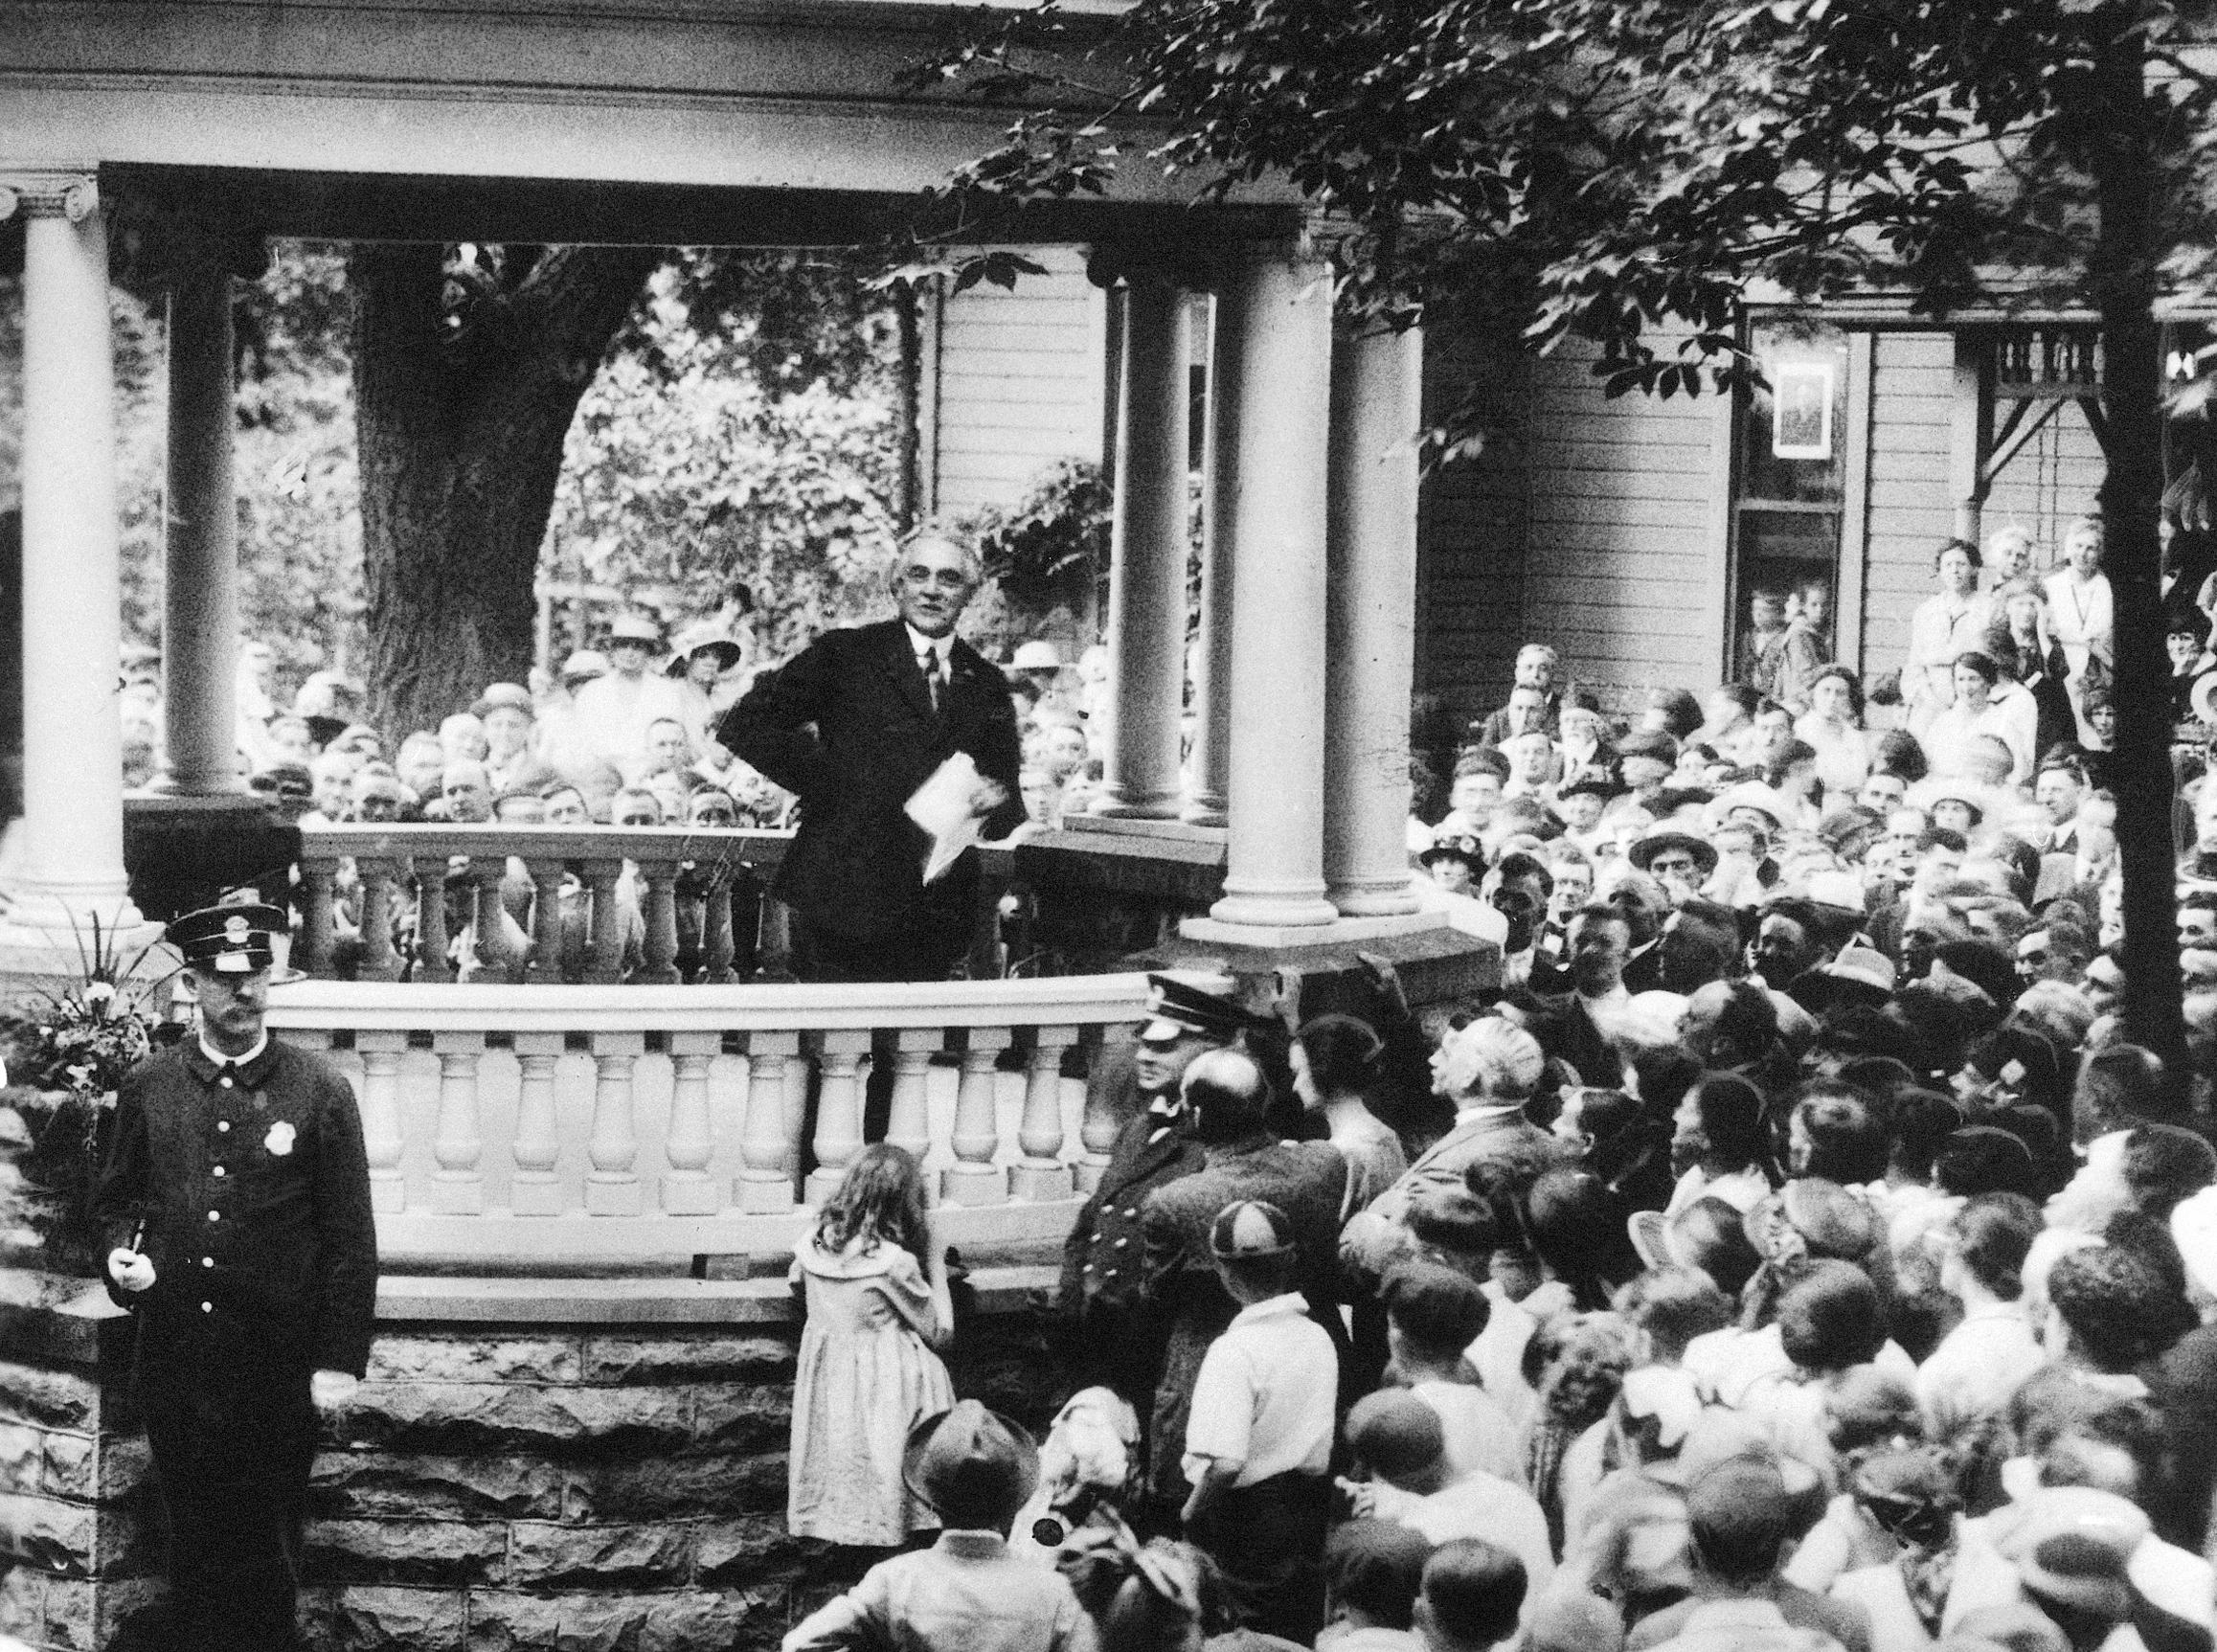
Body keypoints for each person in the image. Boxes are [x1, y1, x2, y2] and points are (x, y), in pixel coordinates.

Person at [94, 903, 377, 1652]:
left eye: (255, 977)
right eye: (224, 979)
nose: (243, 993)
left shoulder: (318, 1090)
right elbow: (116, 1201)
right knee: (190, 1546)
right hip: (180, 1360)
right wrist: (121, 1254)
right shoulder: (150, 1086)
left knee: (266, 1548)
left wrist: (337, 1359)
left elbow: (350, 1237)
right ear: (191, 984)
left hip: (277, 1366)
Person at [721, 531, 1027, 984]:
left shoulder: (985, 682)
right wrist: (830, 783)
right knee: (836, 1044)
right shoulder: (845, 655)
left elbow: (1008, 805)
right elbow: (746, 723)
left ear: (971, 594)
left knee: (909, 1048)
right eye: (918, 574)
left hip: (934, 907)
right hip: (841, 888)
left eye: (949, 579)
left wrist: (991, 801)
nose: (931, 589)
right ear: (895, 583)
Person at [1140, 1050, 1348, 1518]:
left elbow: (1156, 1297)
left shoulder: (1174, 1201)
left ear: (1195, 1115)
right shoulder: (1325, 1165)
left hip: (1209, 1365)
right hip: (1314, 1350)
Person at [1056, 976, 1254, 1412]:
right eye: (1144, 1043)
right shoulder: (1139, 1128)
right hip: (1097, 1337)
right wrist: (1070, 1300)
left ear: (1211, 1053)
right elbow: (1093, 1219)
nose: (1144, 1055)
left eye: (1164, 1047)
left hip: (1152, 1348)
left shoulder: (1217, 1143)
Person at [782, 1400, 1092, 1652]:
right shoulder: (1052, 1593)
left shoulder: (895, 1582)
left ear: (930, 1501)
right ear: (1013, 1503)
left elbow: (799, 1644)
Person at [1179, 1198, 1341, 1643]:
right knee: (1295, 1628)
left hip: (1247, 1518)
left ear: (1223, 1272)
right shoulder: (1317, 1337)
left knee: (1246, 1635)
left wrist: (1190, 1514)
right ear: (1289, 1261)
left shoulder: (1233, 1352)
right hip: (1306, 1509)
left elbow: (1227, 1462)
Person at [786, 1143, 956, 1548]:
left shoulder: (815, 1243)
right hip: (889, 1388)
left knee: (850, 1472)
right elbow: (942, 1333)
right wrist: (934, 1260)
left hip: (834, 1387)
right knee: (889, 1473)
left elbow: (796, 1282)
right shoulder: (895, 1263)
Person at [1904, 538, 1989, 734]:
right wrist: (1931, 700)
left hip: (1973, 695)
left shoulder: (1987, 608)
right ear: (1940, 570)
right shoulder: (1927, 611)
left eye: (1961, 564)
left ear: (1974, 568)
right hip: (1931, 697)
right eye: (1948, 565)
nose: (1954, 570)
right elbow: (1915, 664)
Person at [2044, 516, 2114, 743]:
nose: (2083, 554)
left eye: (2091, 548)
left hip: (2096, 672)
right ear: (2068, 548)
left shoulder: (2108, 589)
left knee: (2094, 737)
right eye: (2078, 546)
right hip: (2059, 669)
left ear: (2100, 552)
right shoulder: (2051, 586)